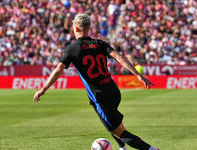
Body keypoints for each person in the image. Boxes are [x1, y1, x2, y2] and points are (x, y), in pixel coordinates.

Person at [33, 14, 159, 150]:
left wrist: (43, 89)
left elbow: (58, 70)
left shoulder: (72, 49)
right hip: (113, 90)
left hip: (100, 95)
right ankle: (122, 148)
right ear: (89, 27)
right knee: (109, 122)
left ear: (75, 28)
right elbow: (119, 57)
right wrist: (138, 75)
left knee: (120, 131)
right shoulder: (100, 43)